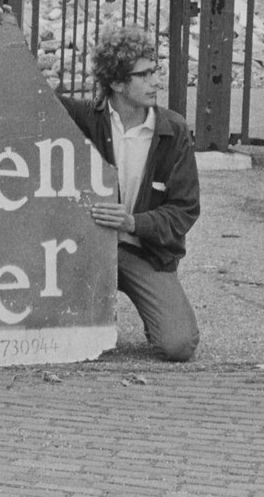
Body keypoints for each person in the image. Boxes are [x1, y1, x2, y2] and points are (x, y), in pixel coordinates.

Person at [62, 25, 201, 362]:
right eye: (145, 74)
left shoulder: (173, 130)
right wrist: (0, 25)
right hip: (88, 249)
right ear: (117, 83)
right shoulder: (85, 119)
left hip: (145, 252)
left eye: (156, 70)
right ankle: (95, 313)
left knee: (178, 344)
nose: (156, 81)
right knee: (64, 342)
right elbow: (31, 91)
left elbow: (185, 209)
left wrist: (133, 222)